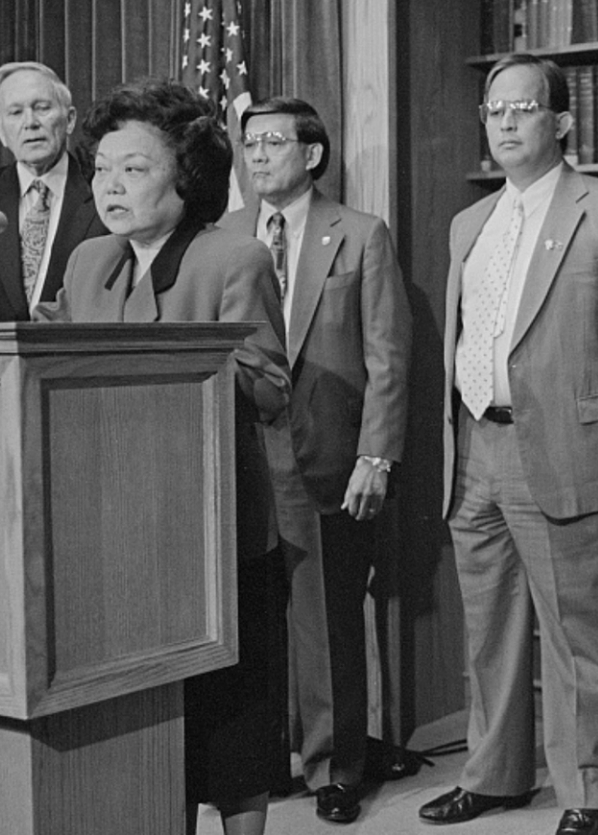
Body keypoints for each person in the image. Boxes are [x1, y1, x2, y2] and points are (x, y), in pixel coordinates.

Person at [422, 53, 598, 835]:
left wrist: (595, 418)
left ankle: (588, 791)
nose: (504, 123)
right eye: (494, 110)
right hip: (475, 450)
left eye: (522, 108)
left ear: (561, 122)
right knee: (489, 630)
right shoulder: (472, 221)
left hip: (569, 448)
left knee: (579, 635)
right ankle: (495, 776)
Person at [39, 80, 291, 835]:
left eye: (134, 169)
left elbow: (272, 385)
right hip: (114, 534)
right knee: (143, 727)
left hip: (210, 528)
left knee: (228, 722)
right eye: (103, 169)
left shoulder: (232, 255)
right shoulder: (87, 260)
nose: (110, 186)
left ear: (186, 178)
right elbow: (41, 355)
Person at [218, 97, 410, 825]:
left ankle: (336, 766)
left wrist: (377, 457)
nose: (258, 155)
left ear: (314, 153)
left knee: (326, 618)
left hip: (327, 455)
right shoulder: (226, 234)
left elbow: (388, 358)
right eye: (250, 143)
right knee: (248, 619)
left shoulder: (359, 235)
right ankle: (263, 760)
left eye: (273, 142)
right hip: (238, 453)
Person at [0, 60, 106, 321]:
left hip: (74, 359)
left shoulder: (103, 190)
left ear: (69, 120)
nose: (30, 123)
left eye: (42, 108)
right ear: (0, 131)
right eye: (15, 113)